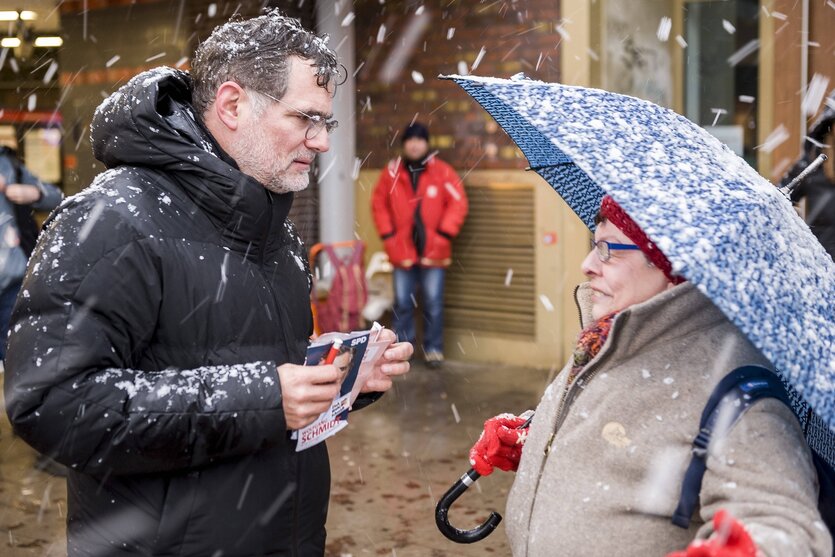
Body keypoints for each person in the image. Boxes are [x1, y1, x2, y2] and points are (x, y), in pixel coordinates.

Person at [3, 11, 412, 557]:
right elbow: (54, 404)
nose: (320, 142)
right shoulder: (111, 219)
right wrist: (264, 399)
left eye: (327, 124)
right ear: (232, 104)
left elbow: (255, 365)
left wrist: (335, 378)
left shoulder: (275, 230)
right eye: (304, 119)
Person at [469, 195, 831, 556]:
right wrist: (536, 437)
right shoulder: (612, 337)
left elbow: (786, 526)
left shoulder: (736, 387)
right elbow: (619, 427)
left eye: (609, 250)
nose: (587, 264)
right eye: (594, 246)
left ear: (670, 263)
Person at [370, 122, 468, 368]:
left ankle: (434, 349)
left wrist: (444, 234)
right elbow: (378, 204)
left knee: (433, 303)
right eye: (410, 139)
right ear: (404, 144)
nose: (414, 144)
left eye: (419, 139)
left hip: (434, 251)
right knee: (403, 303)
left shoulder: (443, 172)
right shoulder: (391, 172)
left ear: (426, 143)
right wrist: (389, 236)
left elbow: (458, 203)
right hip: (401, 250)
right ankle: (403, 350)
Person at [0, 146, 62, 361]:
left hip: (13, 278)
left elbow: (55, 196)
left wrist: (34, 193)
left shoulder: (8, 161)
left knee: (17, 356)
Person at [780, 89, 835, 260]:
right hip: (823, 270)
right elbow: (778, 198)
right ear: (831, 125)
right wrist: (793, 221)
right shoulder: (812, 165)